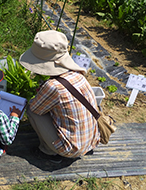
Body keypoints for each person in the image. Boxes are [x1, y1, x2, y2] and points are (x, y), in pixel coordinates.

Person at [19, 30, 100, 164]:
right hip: (92, 140)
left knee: (32, 111)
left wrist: (39, 95)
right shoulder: (78, 75)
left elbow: (36, 108)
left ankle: (49, 152)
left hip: (71, 149)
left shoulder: (53, 86)